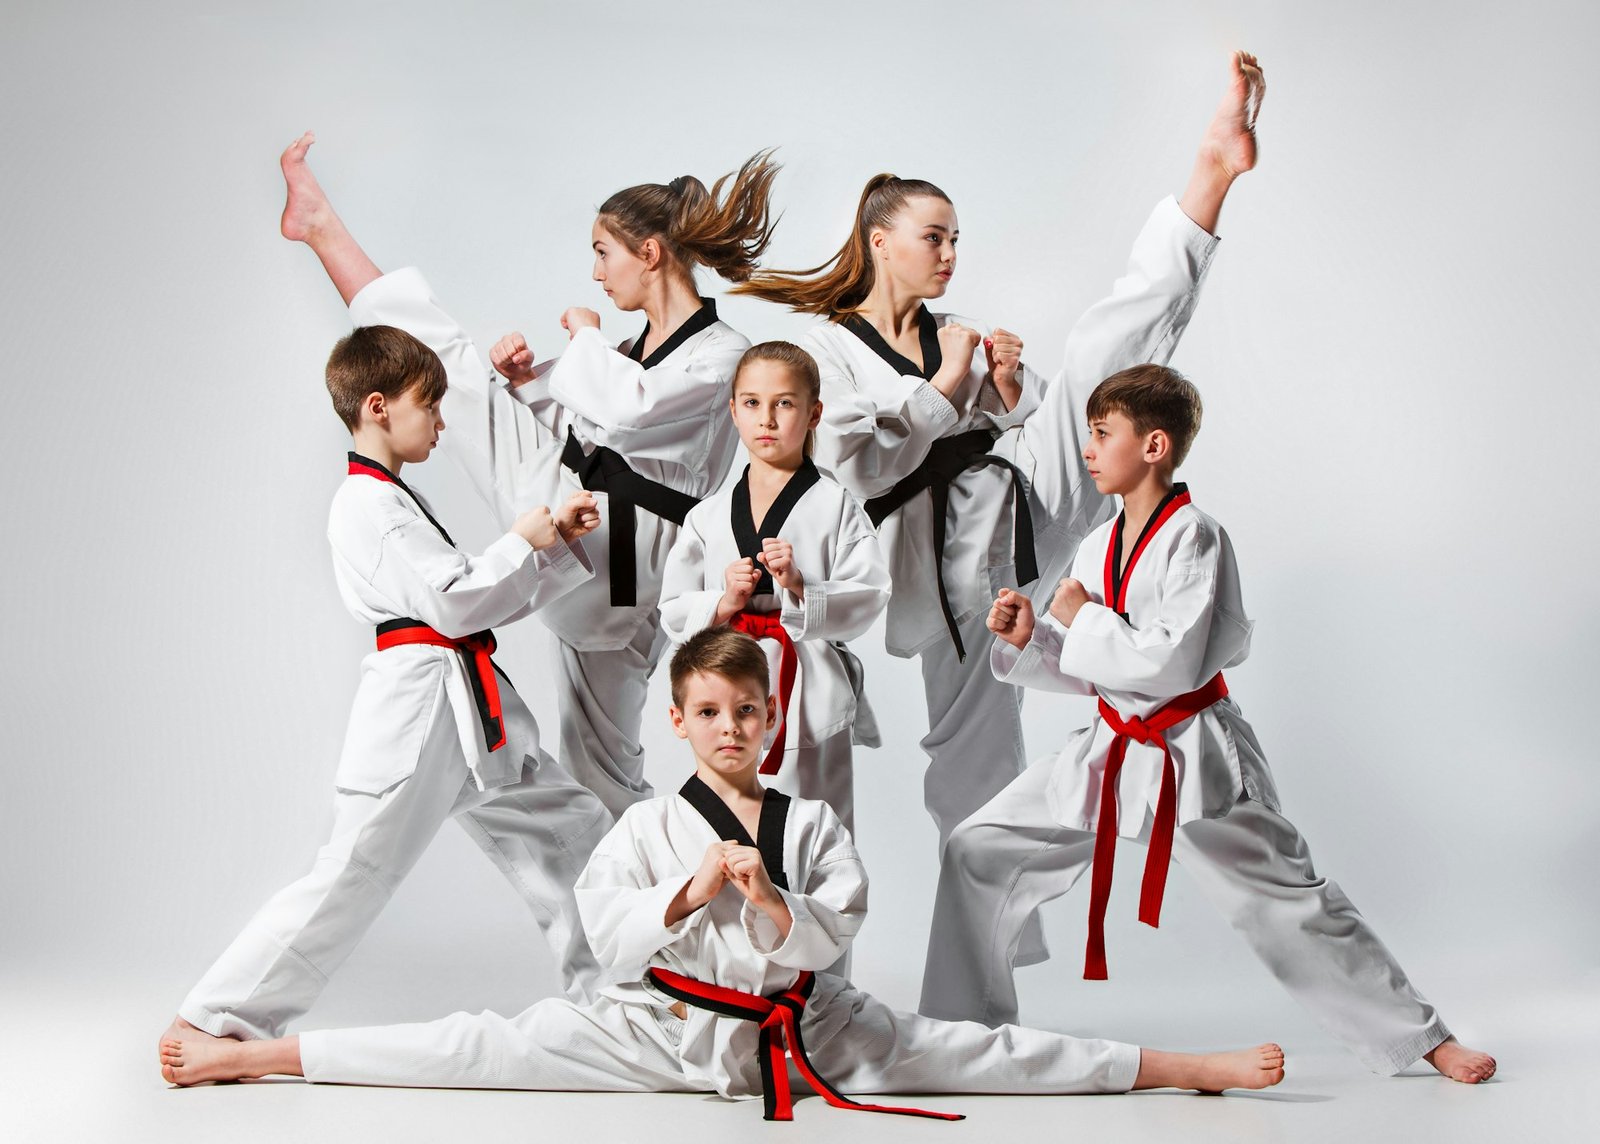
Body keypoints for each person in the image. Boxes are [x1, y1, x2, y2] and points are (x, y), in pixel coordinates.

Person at [160, 629, 1288, 1115]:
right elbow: (607, 936)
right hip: (653, 1028)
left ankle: (1194, 1065)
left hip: (807, 1024)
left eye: (748, 710)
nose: (731, 727)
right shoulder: (650, 825)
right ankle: (251, 1050)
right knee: (477, 1043)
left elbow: (833, 927)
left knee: (984, 1054)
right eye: (709, 711)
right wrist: (687, 892)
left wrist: (767, 902)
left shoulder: (813, 826)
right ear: (679, 720)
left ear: (773, 716)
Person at [730, 57, 1269, 962]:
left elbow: (1038, 420)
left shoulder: (959, 331)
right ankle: (983, 987)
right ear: (877, 239)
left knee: (1107, 351)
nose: (949, 254)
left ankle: (1209, 175)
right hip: (941, 571)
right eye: (933, 237)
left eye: (955, 239)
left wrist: (1012, 393)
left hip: (1022, 497)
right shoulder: (823, 349)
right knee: (973, 771)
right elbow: (847, 461)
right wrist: (949, 387)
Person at [920, 365, 1496, 1085]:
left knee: (1289, 901)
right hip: (1109, 750)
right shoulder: (1099, 546)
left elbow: (1170, 662)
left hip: (1189, 754)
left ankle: (1423, 1038)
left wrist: (1079, 617)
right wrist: (1031, 637)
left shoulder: (1198, 538)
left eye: (1103, 434)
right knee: (977, 847)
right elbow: (1096, 671)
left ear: (1154, 445)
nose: (1089, 450)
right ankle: (956, 1030)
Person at [278, 132, 781, 817]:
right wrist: (522, 379)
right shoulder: (639, 348)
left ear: (650, 254)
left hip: (618, 556)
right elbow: (590, 413)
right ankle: (321, 227)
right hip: (583, 519)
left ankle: (661, 890)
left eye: (604, 254)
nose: (599, 274)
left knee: (602, 775)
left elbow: (627, 408)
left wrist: (582, 335)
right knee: (456, 375)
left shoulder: (724, 354)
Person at [159, 326, 612, 1061]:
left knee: (572, 828)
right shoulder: (363, 503)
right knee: (356, 868)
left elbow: (473, 599)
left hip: (466, 702)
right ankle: (216, 1019)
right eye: (429, 406)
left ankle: (615, 997)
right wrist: (526, 541)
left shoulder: (391, 498)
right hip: (423, 705)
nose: (438, 423)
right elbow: (457, 601)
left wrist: (552, 538)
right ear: (377, 406)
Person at [659, 341, 890, 835]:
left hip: (807, 678)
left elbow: (870, 591)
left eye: (784, 403)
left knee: (816, 816)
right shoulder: (708, 514)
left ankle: (816, 907)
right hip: (726, 675)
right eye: (752, 403)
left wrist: (802, 586)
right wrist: (721, 603)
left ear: (814, 414)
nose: (767, 418)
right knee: (726, 813)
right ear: (733, 412)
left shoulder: (836, 503)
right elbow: (673, 607)